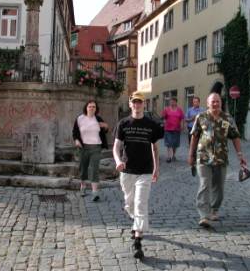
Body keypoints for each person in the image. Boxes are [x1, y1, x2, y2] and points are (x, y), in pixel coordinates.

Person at [113, 91, 163, 259]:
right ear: (130, 104)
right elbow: (116, 147)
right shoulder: (123, 123)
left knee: (140, 204)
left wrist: (156, 168)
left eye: (140, 102)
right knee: (129, 203)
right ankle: (135, 221)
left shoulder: (151, 125)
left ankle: (137, 241)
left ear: (144, 104)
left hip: (145, 171)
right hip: (127, 171)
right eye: (134, 102)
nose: (137, 105)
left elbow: (155, 148)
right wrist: (118, 160)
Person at [188, 93, 248, 228]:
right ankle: (204, 215)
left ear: (221, 103)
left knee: (219, 187)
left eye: (218, 101)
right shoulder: (201, 117)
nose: (215, 104)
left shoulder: (227, 118)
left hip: (221, 158)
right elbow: (194, 136)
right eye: (213, 102)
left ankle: (214, 209)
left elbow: (235, 137)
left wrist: (240, 154)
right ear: (208, 103)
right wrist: (190, 155)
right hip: (203, 157)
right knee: (205, 184)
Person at [72, 100, 109, 202]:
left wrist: (106, 127)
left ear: (96, 109)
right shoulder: (80, 119)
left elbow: (105, 130)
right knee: (83, 168)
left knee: (94, 169)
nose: (92, 108)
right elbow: (75, 132)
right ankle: (83, 186)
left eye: (94, 107)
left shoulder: (98, 119)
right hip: (83, 147)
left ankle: (95, 192)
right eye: (90, 106)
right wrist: (76, 140)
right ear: (86, 108)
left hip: (96, 147)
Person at [161, 97, 184, 163]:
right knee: (169, 143)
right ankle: (169, 157)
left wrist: (182, 125)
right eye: (171, 101)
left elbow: (182, 118)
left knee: (175, 144)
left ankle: (173, 155)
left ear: (176, 102)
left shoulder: (179, 110)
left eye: (173, 101)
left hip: (177, 129)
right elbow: (163, 117)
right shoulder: (166, 109)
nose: (172, 103)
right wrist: (164, 121)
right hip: (168, 129)